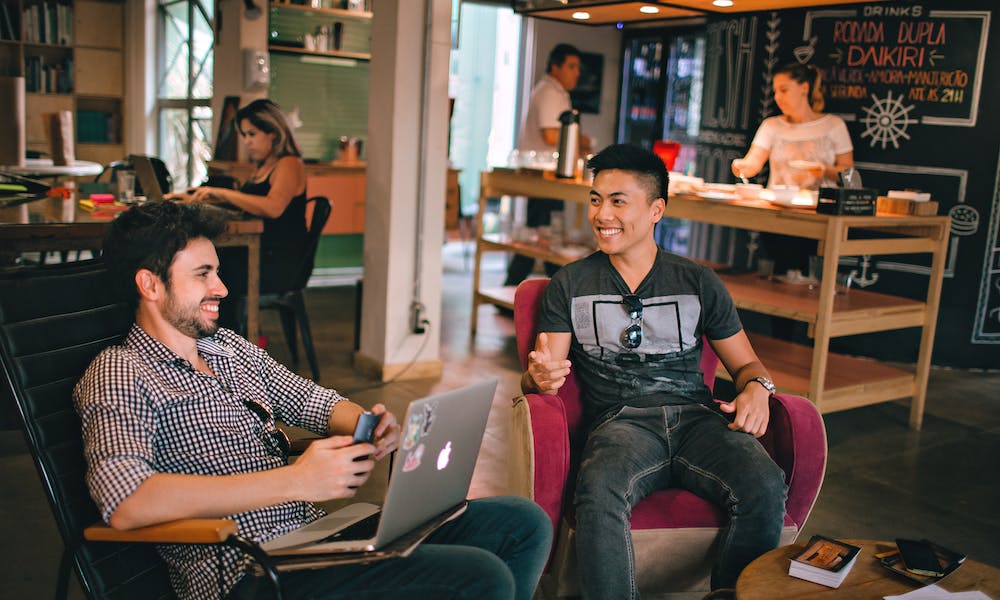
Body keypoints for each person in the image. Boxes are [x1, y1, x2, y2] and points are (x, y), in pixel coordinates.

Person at [74, 201, 552, 600]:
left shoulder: (227, 348)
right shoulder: (121, 371)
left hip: (312, 541)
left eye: (217, 272)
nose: (221, 288)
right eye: (203, 275)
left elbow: (312, 401)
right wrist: (295, 480)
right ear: (150, 285)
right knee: (480, 578)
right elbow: (127, 502)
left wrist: (367, 423)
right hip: (250, 573)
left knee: (522, 523)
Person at [521, 144, 787, 600]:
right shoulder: (571, 283)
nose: (602, 214)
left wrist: (758, 390)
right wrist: (537, 380)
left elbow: (747, 364)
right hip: (620, 423)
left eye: (618, 201)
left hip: (699, 420)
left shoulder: (698, 281)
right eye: (595, 199)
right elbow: (544, 374)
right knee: (600, 489)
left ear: (656, 209)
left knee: (764, 483)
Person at [167, 98, 308, 296]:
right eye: (244, 135)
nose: (246, 141)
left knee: (203, 269)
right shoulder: (265, 165)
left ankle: (217, 325)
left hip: (276, 260)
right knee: (200, 263)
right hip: (258, 251)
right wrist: (198, 197)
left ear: (273, 134)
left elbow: (273, 207)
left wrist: (222, 193)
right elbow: (249, 203)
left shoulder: (289, 164)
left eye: (252, 134)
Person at [731, 63, 854, 276]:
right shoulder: (771, 125)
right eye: (775, 91)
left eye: (784, 90)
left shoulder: (833, 125)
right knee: (774, 277)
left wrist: (823, 170)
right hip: (777, 213)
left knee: (811, 278)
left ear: (804, 88)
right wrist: (741, 166)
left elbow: (848, 173)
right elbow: (753, 163)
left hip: (818, 215)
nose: (778, 97)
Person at [503, 43, 592, 288]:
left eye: (578, 68)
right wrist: (584, 140)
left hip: (549, 177)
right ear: (556, 67)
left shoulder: (557, 92)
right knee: (543, 239)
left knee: (544, 238)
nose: (576, 73)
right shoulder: (549, 92)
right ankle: (521, 293)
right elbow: (552, 136)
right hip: (544, 177)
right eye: (571, 66)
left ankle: (545, 292)